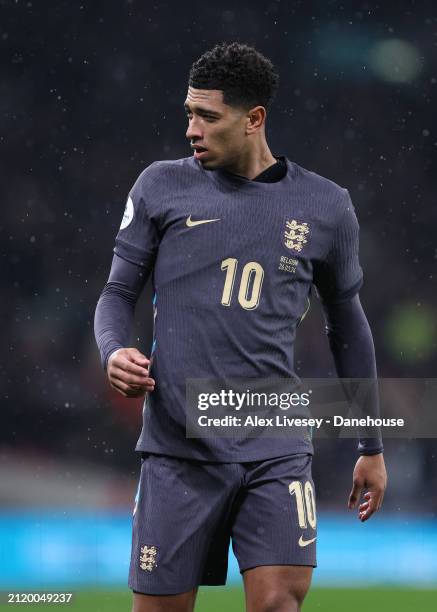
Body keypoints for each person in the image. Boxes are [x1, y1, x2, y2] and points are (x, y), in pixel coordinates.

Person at [94, 42, 387, 612]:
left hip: (274, 443)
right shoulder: (160, 186)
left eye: (208, 116)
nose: (191, 130)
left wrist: (371, 444)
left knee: (279, 602)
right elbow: (117, 294)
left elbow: (348, 327)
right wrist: (112, 351)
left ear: (254, 119)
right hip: (178, 448)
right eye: (188, 113)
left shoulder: (326, 207)